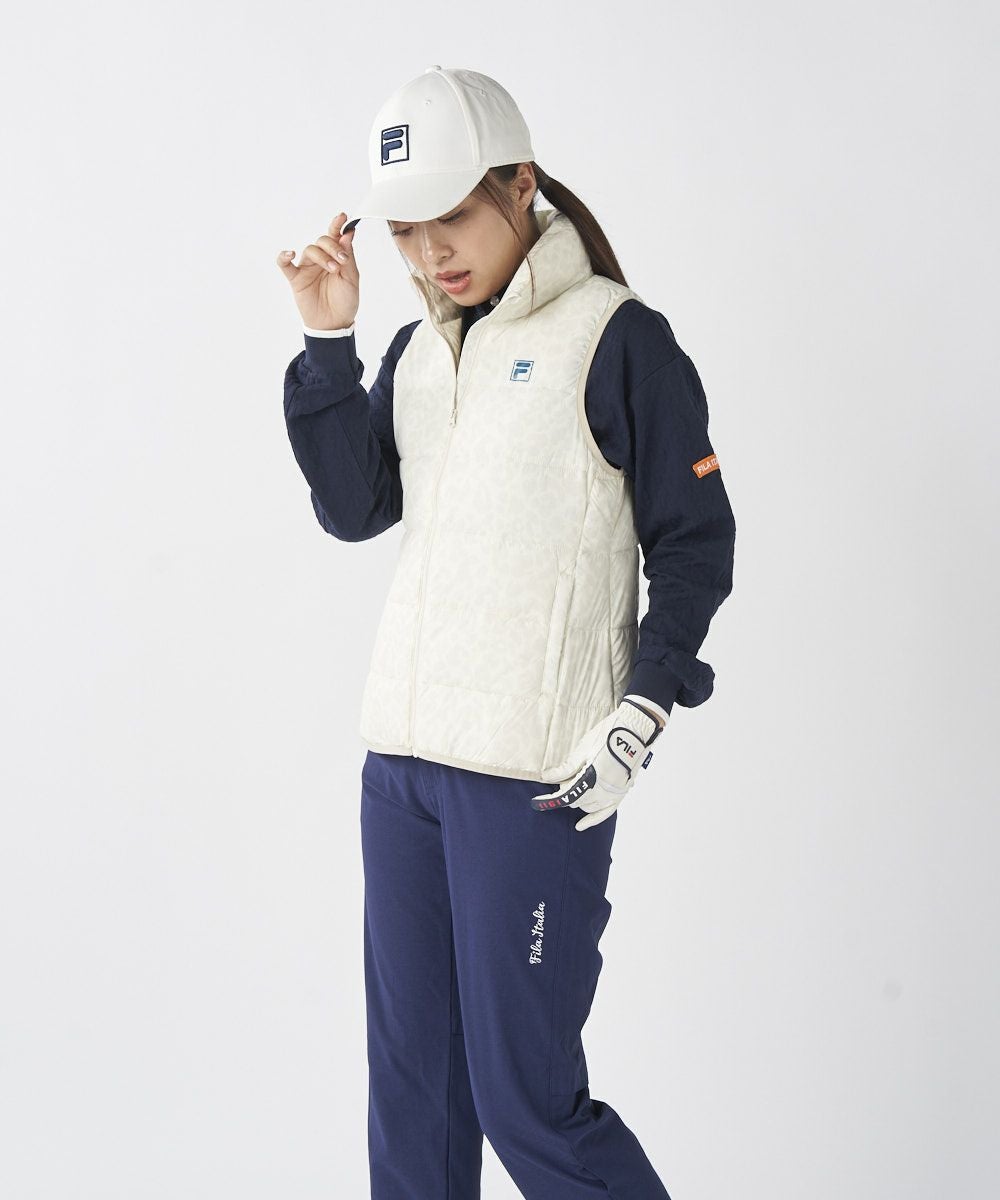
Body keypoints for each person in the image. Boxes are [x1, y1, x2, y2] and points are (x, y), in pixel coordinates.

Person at [276, 65, 736, 1199]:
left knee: (526, 1104)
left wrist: (642, 707)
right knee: (415, 1100)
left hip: (534, 780)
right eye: (405, 231)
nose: (431, 253)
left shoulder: (617, 339)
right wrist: (330, 343)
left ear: (520, 184)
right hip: (403, 770)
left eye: (452, 218)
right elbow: (355, 509)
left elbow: (694, 542)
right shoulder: (419, 353)